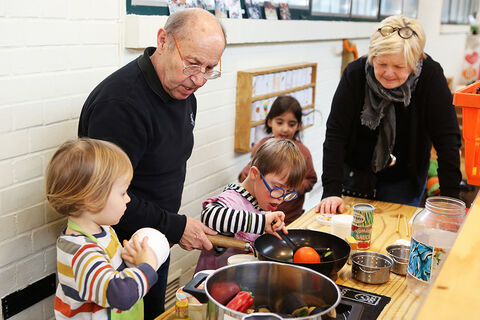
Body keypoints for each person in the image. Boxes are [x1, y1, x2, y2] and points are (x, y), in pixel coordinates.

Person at [77, 8, 226, 319]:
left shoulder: (184, 92)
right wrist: (177, 227)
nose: (199, 80)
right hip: (115, 253)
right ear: (163, 41)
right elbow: (102, 198)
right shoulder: (120, 106)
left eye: (210, 68)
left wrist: (171, 229)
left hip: (155, 239)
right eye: (192, 64)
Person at [317, 15, 461, 215]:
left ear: (414, 62)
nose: (389, 73)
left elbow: (448, 142)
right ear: (372, 57)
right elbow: (335, 135)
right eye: (381, 64)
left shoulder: (430, 77)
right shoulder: (355, 74)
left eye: (399, 67)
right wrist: (331, 190)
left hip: (404, 180)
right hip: (354, 176)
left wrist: (450, 202)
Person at [47, 138, 159, 319]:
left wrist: (131, 261)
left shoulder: (103, 230)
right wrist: (148, 266)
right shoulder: (81, 253)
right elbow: (121, 295)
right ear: (92, 200)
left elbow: (109, 273)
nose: (128, 199)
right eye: (122, 192)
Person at [196, 138, 306, 272]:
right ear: (254, 174)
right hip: (215, 280)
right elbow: (210, 215)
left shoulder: (259, 201)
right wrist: (261, 222)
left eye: (288, 192)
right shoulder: (233, 199)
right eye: (277, 187)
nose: (281, 198)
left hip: (241, 278)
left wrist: (269, 226)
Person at [238, 96, 317, 225]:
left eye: (291, 124)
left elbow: (311, 179)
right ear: (270, 122)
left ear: (299, 125)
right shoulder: (264, 144)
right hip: (262, 217)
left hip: (290, 218)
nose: (285, 129)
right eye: (280, 123)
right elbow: (249, 172)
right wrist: (247, 175)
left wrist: (292, 187)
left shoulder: (303, 152)